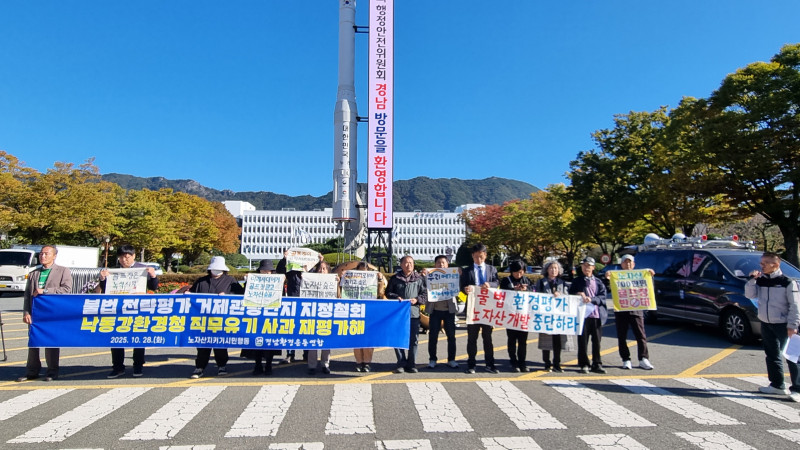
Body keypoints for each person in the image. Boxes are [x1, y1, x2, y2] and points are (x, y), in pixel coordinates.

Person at [744, 252, 800, 402]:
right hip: (766, 322)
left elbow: (795, 305)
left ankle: (797, 389)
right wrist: (752, 280)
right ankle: (777, 385)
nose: (761, 266)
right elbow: (749, 295)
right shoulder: (761, 280)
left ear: (775, 265)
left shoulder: (787, 282)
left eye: (765, 263)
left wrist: (793, 325)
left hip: (784, 324)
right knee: (772, 355)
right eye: (761, 263)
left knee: (792, 357)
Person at [99, 244, 159, 378]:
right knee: (116, 338)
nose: (124, 260)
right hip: (118, 309)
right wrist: (103, 278)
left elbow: (154, 287)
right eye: (121, 257)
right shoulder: (113, 271)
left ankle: (138, 366)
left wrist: (153, 275)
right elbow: (105, 289)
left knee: (138, 338)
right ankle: (118, 367)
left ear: (133, 256)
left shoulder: (142, 269)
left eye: (127, 257)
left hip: (138, 308)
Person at [16, 245, 72, 382]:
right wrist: (26, 312)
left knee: (51, 343)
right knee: (33, 343)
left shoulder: (63, 271)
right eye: (41, 254)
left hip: (53, 314)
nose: (43, 256)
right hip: (35, 313)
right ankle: (32, 371)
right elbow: (27, 295)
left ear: (54, 256)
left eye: (47, 253)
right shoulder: (34, 273)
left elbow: (67, 289)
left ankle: (52, 371)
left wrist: (46, 291)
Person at [187, 256, 245, 379]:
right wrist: (188, 294)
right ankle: (200, 367)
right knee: (203, 344)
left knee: (220, 343)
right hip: (203, 318)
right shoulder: (201, 281)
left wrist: (228, 295)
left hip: (221, 318)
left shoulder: (230, 281)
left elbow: (240, 295)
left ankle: (221, 365)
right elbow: (192, 293)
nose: (216, 271)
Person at [607, 254, 654, 370]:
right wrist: (607, 276)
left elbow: (647, 285)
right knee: (622, 336)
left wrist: (650, 273)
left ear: (633, 264)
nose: (628, 264)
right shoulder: (616, 276)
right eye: (625, 262)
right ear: (621, 264)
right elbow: (608, 284)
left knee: (641, 335)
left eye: (630, 262)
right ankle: (626, 359)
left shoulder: (639, 275)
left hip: (636, 309)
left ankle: (643, 358)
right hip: (621, 309)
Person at [461, 243, 500, 374]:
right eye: (476, 257)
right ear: (472, 256)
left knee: (487, 337)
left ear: (485, 256)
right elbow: (462, 285)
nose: (479, 259)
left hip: (487, 307)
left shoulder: (491, 269)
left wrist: (490, 284)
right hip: (473, 307)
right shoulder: (467, 270)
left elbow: (497, 282)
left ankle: (490, 364)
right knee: (472, 338)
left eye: (481, 257)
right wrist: (465, 289)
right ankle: (471, 364)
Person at [386, 255, 427, 374]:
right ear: (401, 264)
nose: (409, 265)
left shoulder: (419, 279)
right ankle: (401, 362)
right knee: (398, 338)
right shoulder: (395, 278)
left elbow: (425, 294)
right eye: (406, 262)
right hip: (398, 314)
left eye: (411, 263)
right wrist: (396, 297)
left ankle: (411, 363)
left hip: (413, 313)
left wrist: (417, 300)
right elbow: (388, 293)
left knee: (414, 339)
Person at [569, 256, 608, 374]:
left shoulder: (598, 282)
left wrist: (592, 299)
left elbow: (603, 297)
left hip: (596, 315)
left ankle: (597, 363)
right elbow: (570, 294)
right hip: (583, 316)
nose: (586, 268)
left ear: (593, 268)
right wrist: (578, 294)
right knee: (583, 341)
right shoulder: (577, 281)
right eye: (584, 265)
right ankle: (584, 364)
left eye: (588, 266)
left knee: (597, 342)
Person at [241, 259, 279, 376]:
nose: (266, 272)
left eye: (268, 271)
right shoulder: (253, 281)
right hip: (255, 315)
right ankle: (257, 364)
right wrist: (248, 281)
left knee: (270, 342)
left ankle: (268, 365)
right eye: (264, 270)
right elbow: (244, 294)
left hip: (271, 316)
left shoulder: (277, 282)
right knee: (255, 341)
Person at [535, 260, 572, 373]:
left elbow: (568, 296)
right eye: (551, 268)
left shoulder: (562, 283)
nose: (553, 270)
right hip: (546, 316)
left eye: (556, 268)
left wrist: (561, 295)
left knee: (558, 340)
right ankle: (546, 363)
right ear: (547, 270)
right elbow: (537, 295)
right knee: (546, 340)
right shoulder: (541, 282)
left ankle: (557, 363)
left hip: (558, 316)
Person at [424, 255, 460, 369]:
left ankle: (451, 359)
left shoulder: (452, 275)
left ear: (447, 264)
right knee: (433, 336)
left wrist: (460, 274)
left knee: (451, 336)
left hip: (449, 310)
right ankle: (432, 359)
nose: (441, 264)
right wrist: (423, 275)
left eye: (443, 262)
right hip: (435, 310)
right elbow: (423, 286)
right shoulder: (430, 275)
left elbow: (461, 285)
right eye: (438, 262)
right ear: (435, 264)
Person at [351, 262, 387, 372]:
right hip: (355, 311)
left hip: (370, 312)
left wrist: (380, 280)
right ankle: (358, 362)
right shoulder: (351, 280)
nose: (363, 274)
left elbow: (380, 293)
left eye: (365, 272)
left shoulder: (374, 279)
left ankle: (367, 362)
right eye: (360, 271)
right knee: (356, 339)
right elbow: (343, 294)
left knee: (368, 339)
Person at [500, 260, 531, 372]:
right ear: (512, 271)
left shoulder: (526, 280)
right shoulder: (506, 280)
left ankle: (522, 362)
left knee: (523, 341)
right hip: (510, 314)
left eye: (521, 272)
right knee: (512, 339)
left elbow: (534, 292)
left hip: (523, 315)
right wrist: (514, 289)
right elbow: (502, 293)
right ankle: (513, 362)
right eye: (516, 272)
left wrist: (526, 289)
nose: (518, 274)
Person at [307, 258, 334, 375]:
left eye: (324, 269)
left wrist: (338, 284)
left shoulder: (333, 281)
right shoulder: (310, 280)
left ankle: (325, 364)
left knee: (326, 342)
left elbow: (339, 297)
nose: (321, 271)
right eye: (320, 268)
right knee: (312, 342)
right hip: (313, 314)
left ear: (328, 271)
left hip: (327, 314)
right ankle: (312, 365)